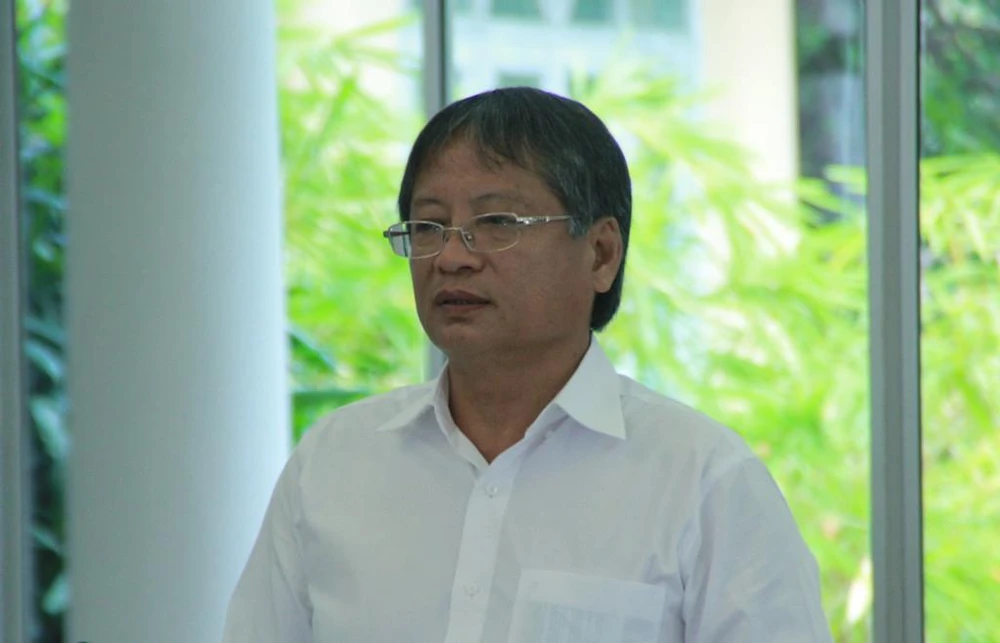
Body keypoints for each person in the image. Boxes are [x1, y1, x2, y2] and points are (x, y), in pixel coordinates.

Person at [222, 87, 834, 643]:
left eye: (497, 223)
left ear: (601, 253)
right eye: (429, 226)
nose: (452, 257)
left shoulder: (704, 483)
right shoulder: (334, 464)